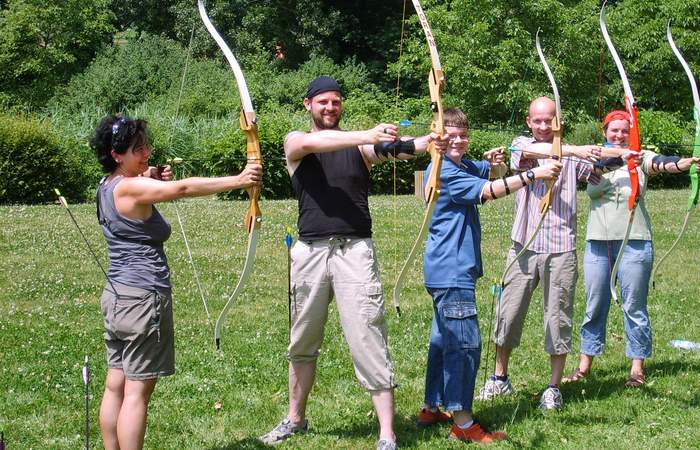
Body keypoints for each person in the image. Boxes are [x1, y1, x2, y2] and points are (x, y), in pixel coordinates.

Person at [260, 76, 443, 450]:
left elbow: (401, 148)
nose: (330, 108)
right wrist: (368, 133)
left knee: (368, 338)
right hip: (310, 253)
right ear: (308, 104)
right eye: (323, 102)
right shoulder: (296, 142)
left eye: (336, 102)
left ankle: (387, 434)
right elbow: (312, 143)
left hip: (354, 252)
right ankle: (296, 419)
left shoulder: (360, 148)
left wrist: (430, 142)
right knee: (302, 341)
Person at [91, 115, 262, 450]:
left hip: (116, 297)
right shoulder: (131, 187)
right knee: (137, 392)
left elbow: (139, 188)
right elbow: (181, 189)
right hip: (143, 299)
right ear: (116, 154)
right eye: (138, 149)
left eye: (146, 146)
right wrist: (240, 179)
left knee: (116, 383)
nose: (147, 153)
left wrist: (149, 174)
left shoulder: (106, 185)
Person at [416, 107, 561, 443]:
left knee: (442, 342)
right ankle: (464, 423)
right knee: (465, 344)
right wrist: (533, 175)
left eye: (463, 135)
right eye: (450, 136)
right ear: (436, 137)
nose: (458, 140)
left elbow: (489, 173)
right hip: (452, 272)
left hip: (445, 270)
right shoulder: (444, 173)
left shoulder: (460, 165)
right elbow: (488, 191)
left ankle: (431, 406)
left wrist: (495, 162)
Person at [477, 97, 629, 409]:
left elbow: (602, 164)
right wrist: (575, 151)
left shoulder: (575, 157)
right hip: (523, 247)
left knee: (558, 319)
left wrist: (628, 155)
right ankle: (499, 378)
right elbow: (537, 153)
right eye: (538, 120)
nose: (544, 126)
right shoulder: (523, 145)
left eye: (550, 120)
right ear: (529, 121)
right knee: (508, 313)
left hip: (561, 250)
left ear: (557, 121)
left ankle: (553, 387)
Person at [561, 110, 700, 388]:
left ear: (632, 133)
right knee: (594, 305)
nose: (619, 135)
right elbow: (593, 174)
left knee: (634, 306)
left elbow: (661, 164)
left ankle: (637, 369)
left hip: (635, 239)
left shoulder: (641, 156)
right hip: (598, 240)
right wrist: (621, 158)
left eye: (624, 131)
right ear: (605, 131)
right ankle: (583, 366)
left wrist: (685, 164)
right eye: (613, 130)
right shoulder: (594, 157)